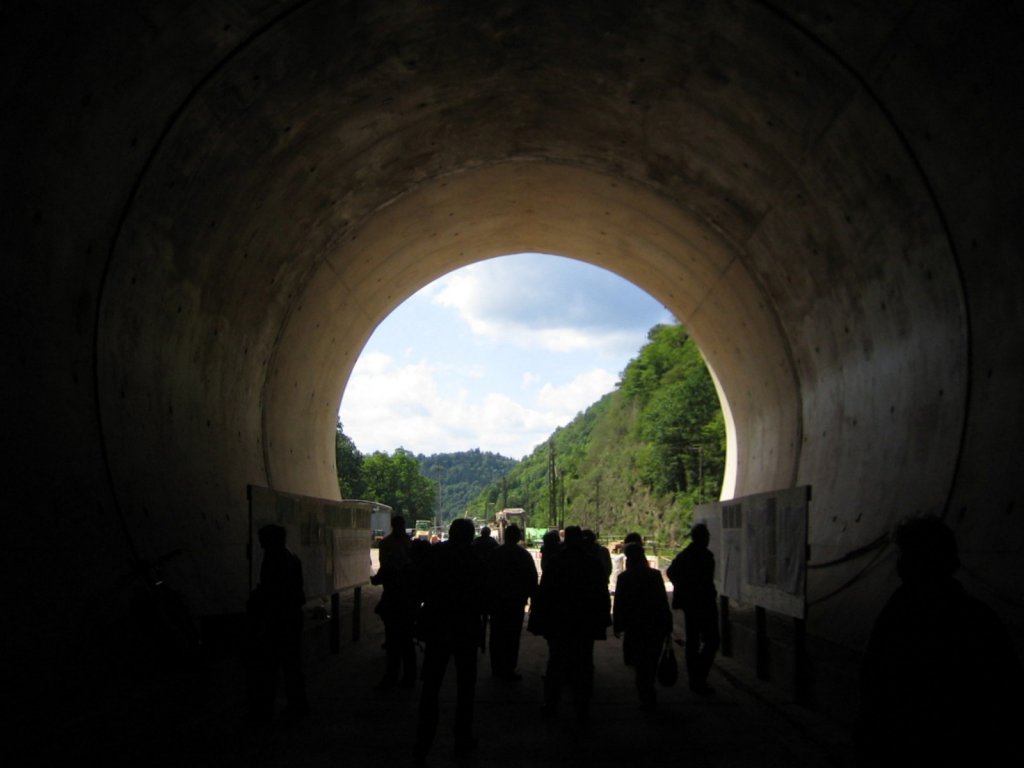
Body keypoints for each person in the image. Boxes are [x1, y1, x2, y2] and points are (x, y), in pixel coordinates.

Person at [854, 514, 1022, 767]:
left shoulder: (899, 614)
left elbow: (874, 686)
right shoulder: (979, 617)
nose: (899, 563)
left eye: (904, 555)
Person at [413, 518, 487, 764]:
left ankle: (424, 738)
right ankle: (462, 735)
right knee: (466, 685)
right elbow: (484, 594)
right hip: (466, 628)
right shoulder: (476, 558)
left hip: (438, 627)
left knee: (431, 684)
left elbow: (420, 587)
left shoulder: (436, 554)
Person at [531, 525, 611, 720]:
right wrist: (602, 620)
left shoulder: (556, 562)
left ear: (565, 540)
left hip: (559, 622)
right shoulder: (592, 564)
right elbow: (601, 595)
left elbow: (545, 593)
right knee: (584, 664)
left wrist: (539, 620)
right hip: (584, 623)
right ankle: (582, 707)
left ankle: (551, 704)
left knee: (556, 663)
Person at [247, 523, 309, 721]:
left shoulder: (273, 559)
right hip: (291, 617)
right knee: (292, 665)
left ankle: (265, 708)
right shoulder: (291, 558)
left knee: (270, 664)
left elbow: (271, 590)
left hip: (277, 619)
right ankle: (297, 704)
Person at [613, 542, 673, 709]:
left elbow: (620, 604)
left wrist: (618, 624)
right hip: (654, 625)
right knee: (651, 659)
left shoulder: (624, 578)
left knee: (640, 662)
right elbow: (662, 601)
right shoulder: (654, 576)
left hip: (635, 626)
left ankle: (645, 693)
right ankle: (648, 690)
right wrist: (668, 624)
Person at [667, 522, 719, 695]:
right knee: (711, 640)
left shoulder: (685, 555)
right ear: (703, 538)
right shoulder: (705, 556)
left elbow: (671, 572)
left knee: (693, 641)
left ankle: (695, 678)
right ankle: (699, 676)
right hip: (704, 603)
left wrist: (682, 588)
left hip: (691, 604)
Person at [485, 523, 538, 681]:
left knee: (496, 635)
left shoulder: (495, 554)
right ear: (518, 537)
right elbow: (531, 579)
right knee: (512, 637)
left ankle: (496, 667)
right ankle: (508, 668)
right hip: (516, 602)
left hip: (497, 602)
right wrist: (533, 600)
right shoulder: (523, 555)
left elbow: (486, 577)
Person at [370, 515, 417, 689]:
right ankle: (410, 676)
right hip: (408, 600)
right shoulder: (410, 544)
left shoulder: (386, 544)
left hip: (392, 599)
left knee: (393, 641)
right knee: (407, 641)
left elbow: (381, 574)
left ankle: (391, 676)